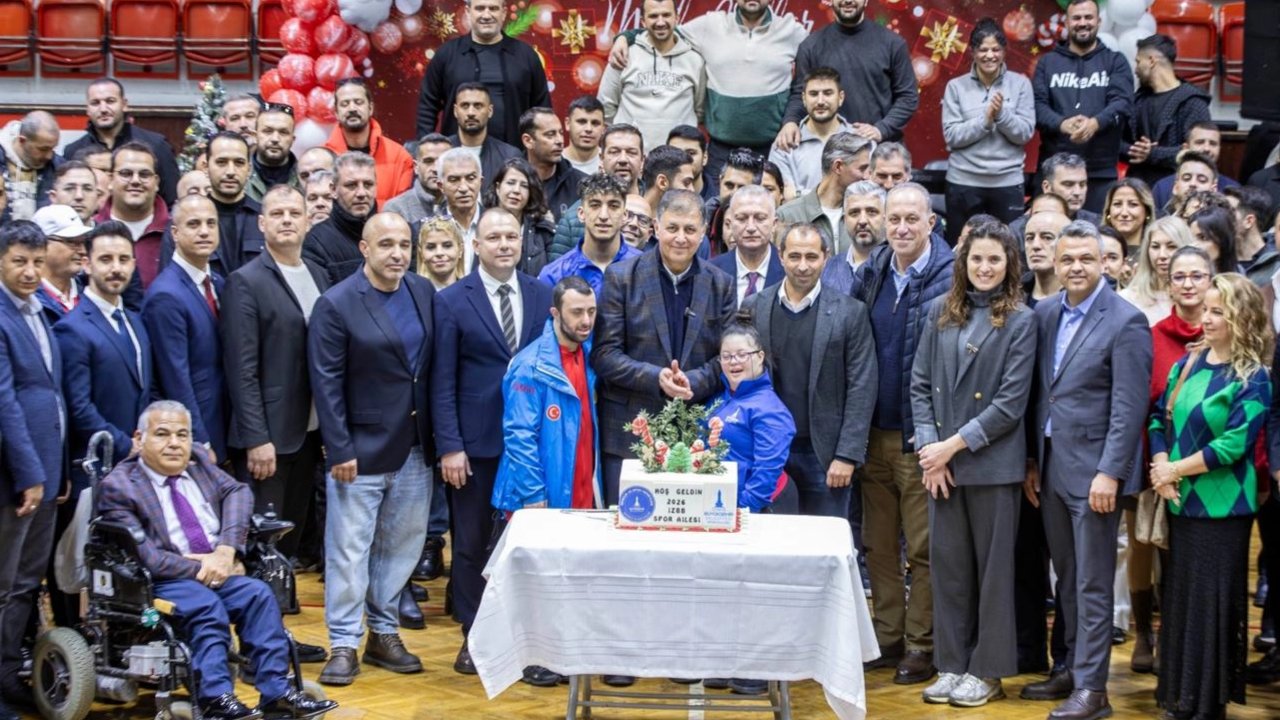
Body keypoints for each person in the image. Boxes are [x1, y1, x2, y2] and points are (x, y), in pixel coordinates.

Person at [95, 401, 338, 720]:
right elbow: (148, 558)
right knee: (205, 606)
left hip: (216, 567)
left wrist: (226, 551)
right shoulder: (119, 486)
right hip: (160, 580)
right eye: (163, 434)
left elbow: (238, 492)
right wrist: (204, 567)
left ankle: (276, 693)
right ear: (139, 439)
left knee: (258, 595)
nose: (174, 443)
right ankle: (215, 698)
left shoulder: (196, 462)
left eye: (182, 434)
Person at [1021, 220, 1152, 718]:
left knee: (1093, 583)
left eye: (1086, 259)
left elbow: (1128, 407)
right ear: (1056, 263)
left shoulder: (1126, 321)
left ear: (1104, 262)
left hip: (1096, 476)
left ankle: (1094, 690)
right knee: (1067, 579)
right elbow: (1041, 395)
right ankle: (1069, 670)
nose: (1076, 267)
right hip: (1052, 468)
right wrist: (1033, 459)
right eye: (1067, 259)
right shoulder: (1047, 312)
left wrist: (1111, 473)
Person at [910, 220, 1037, 707]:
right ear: (962, 262)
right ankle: (951, 662)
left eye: (994, 260)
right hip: (940, 467)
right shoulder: (941, 311)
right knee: (949, 570)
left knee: (991, 574)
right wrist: (930, 450)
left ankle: (987, 671)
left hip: (990, 466)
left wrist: (951, 447)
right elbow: (920, 383)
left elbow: (1008, 405)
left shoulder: (1021, 321)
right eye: (976, 258)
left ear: (1009, 266)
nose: (984, 267)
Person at [309, 212, 435, 686]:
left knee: (400, 549)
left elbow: (427, 371)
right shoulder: (337, 304)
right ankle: (343, 642)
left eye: (404, 244)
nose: (397, 253)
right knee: (348, 551)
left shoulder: (422, 291)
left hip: (415, 447)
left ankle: (383, 634)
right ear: (365, 249)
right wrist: (338, 447)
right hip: (357, 452)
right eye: (386, 244)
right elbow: (326, 384)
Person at [431, 208, 553, 676]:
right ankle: (474, 636)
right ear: (475, 246)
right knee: (472, 543)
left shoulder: (543, 295)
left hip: (531, 445)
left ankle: (530, 641)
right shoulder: (452, 301)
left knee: (526, 545)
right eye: (493, 237)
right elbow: (440, 381)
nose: (504, 244)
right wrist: (449, 446)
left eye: (511, 236)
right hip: (474, 446)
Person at [1149, 273, 1272, 720]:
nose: (1207, 318)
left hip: (1224, 510)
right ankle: (1182, 698)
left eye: (1218, 311)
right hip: (1183, 503)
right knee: (1181, 603)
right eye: (1206, 309)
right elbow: (1158, 418)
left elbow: (1233, 446)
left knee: (1212, 607)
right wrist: (1161, 468)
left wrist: (1173, 469)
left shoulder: (1255, 377)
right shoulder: (1188, 364)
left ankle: (1206, 704)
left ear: (1241, 318)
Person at [852, 182, 955, 684]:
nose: (902, 228)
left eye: (913, 219)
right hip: (873, 432)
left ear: (931, 222)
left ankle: (922, 643)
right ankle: (887, 636)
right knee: (878, 546)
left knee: (922, 548)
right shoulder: (872, 271)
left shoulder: (950, 277)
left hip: (922, 439)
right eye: (895, 219)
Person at [592, 188, 736, 507]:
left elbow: (726, 358)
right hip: (629, 433)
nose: (680, 238)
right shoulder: (621, 278)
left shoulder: (720, 283)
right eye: (672, 228)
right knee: (628, 534)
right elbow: (604, 355)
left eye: (689, 230)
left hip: (696, 433)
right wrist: (657, 377)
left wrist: (694, 381)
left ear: (702, 234)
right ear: (656, 228)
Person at [489, 275, 599, 689]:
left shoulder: (587, 356)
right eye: (577, 312)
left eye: (590, 311)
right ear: (555, 313)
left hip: (581, 488)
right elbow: (518, 434)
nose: (586, 320)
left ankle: (560, 649)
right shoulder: (531, 364)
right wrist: (534, 495)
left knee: (567, 577)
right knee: (533, 582)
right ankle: (529, 656)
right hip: (538, 494)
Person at [221, 185, 329, 563]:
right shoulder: (245, 280)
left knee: (292, 535)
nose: (287, 220)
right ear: (262, 223)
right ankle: (263, 610)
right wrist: (256, 438)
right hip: (270, 436)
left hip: (311, 429)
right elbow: (241, 368)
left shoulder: (318, 272)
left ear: (307, 221)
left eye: (294, 213)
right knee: (263, 537)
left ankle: (281, 606)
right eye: (278, 214)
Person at [743, 222, 876, 520]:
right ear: (781, 256)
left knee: (823, 545)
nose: (803, 266)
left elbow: (862, 387)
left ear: (826, 257)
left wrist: (847, 454)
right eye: (795, 256)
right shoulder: (754, 307)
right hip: (769, 451)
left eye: (811, 257)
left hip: (825, 456)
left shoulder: (850, 312)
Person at [1125, 245, 1215, 676]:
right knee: (1143, 544)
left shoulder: (1224, 336)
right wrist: (1157, 465)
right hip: (1153, 462)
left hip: (1208, 467)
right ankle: (1144, 633)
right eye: (1179, 277)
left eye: (1197, 276)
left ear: (1211, 281)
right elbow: (1143, 402)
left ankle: (1179, 637)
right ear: (1168, 283)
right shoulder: (1153, 334)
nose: (1188, 284)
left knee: (1187, 558)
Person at [608, 0, 806, 187]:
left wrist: (791, 120)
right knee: (715, 208)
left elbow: (804, 85)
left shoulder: (792, 31)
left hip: (772, 148)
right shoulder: (710, 25)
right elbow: (663, 29)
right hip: (720, 148)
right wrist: (625, 37)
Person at [0, 221, 65, 720]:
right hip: (15, 480)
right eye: (19, 261)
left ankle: (7, 678)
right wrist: (29, 474)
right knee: (3, 586)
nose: (29, 271)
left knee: (25, 585)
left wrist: (55, 468)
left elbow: (51, 395)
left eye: (36, 262)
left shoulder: (37, 310)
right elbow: (5, 403)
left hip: (45, 471)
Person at [143, 194, 228, 462]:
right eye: (194, 224)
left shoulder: (218, 282)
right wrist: (199, 439)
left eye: (210, 223)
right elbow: (175, 377)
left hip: (224, 419)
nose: (204, 231)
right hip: (197, 428)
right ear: (175, 233)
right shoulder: (166, 294)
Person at [1032, 0, 1132, 213]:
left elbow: (1122, 103)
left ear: (1099, 21)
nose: (1083, 23)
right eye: (1076, 18)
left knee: (1098, 237)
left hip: (1100, 173)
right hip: (1054, 173)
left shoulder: (1116, 61)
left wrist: (1095, 123)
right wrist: (1062, 124)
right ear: (1067, 23)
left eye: (1088, 17)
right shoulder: (1047, 62)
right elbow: (1037, 107)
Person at [942, 19, 1035, 243]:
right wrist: (985, 120)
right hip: (964, 183)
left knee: (1010, 247)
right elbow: (952, 136)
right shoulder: (956, 87)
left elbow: (1025, 133)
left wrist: (1001, 115)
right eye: (983, 50)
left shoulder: (1020, 84)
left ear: (1004, 52)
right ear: (973, 52)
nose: (989, 55)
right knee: (961, 249)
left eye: (996, 49)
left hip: (1007, 183)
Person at [776, 0, 918, 147]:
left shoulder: (893, 44)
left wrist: (882, 129)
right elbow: (800, 94)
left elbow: (907, 97)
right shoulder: (810, 46)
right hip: (827, 152)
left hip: (880, 152)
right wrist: (790, 122)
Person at [415, 0, 550, 146]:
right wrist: (427, 148)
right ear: (468, 11)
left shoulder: (526, 55)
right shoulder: (446, 54)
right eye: (480, 8)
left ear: (504, 12)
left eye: (493, 8)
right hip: (457, 160)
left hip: (516, 159)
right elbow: (427, 107)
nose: (486, 15)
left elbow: (542, 110)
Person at [596, 0, 705, 154]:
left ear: (677, 18)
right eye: (653, 16)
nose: (660, 22)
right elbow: (606, 107)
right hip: (632, 158)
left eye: (666, 15)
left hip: (679, 159)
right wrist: (626, 138)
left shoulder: (695, 60)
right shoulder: (623, 55)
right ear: (643, 21)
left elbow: (699, 110)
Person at [711, 322, 797, 515]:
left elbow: (766, 472)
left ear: (760, 357)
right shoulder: (719, 399)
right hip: (722, 502)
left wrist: (741, 509)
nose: (733, 361)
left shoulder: (770, 410)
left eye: (742, 355)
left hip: (760, 507)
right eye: (726, 356)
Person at [64, 78, 179, 205]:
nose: (103, 109)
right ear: (87, 109)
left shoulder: (156, 145)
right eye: (95, 103)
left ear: (124, 104)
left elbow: (172, 200)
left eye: (110, 101)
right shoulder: (73, 151)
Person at [1123, 34, 1212, 187]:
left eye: (1138, 62)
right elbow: (1119, 142)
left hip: (1174, 188)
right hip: (1137, 188)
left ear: (1151, 61)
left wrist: (1152, 154)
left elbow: (1198, 151)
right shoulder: (1137, 100)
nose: (1136, 70)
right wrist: (1136, 150)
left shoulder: (1192, 102)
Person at [170, 132, 264, 278]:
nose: (231, 172)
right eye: (222, 162)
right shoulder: (184, 221)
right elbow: (171, 280)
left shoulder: (265, 219)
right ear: (206, 168)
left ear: (249, 168)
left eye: (239, 163)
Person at [548, 124, 646, 261]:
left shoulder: (658, 207)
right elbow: (557, 272)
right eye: (614, 152)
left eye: (631, 152)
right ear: (601, 158)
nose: (623, 159)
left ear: (642, 160)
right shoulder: (573, 217)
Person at [538, 173, 638, 296]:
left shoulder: (645, 268)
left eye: (613, 206)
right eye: (595, 205)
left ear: (625, 215)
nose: (603, 216)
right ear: (581, 213)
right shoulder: (554, 275)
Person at [776, 133, 871, 257]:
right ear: (838, 167)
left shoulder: (869, 215)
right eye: (862, 169)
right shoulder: (787, 215)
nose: (867, 177)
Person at [769, 67, 857, 199]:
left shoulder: (861, 141)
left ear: (840, 97)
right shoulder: (785, 144)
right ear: (804, 99)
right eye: (814, 94)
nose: (820, 101)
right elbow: (784, 199)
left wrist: (799, 194)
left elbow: (865, 194)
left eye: (828, 93)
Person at [323, 79, 413, 206]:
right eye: (345, 104)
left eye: (358, 102)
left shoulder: (400, 157)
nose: (352, 108)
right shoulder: (323, 158)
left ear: (370, 108)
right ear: (336, 113)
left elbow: (403, 210)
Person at [95, 142, 169, 287]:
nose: (135, 181)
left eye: (144, 174)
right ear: (110, 180)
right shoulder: (92, 230)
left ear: (156, 182)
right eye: (126, 174)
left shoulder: (175, 232)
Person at [303, 152, 378, 286]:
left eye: (368, 184)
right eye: (351, 185)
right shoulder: (315, 243)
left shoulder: (391, 233)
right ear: (333, 190)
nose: (361, 193)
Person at [710, 185, 785, 307]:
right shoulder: (712, 272)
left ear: (774, 224)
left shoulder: (789, 271)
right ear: (730, 224)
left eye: (760, 218)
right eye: (742, 219)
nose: (751, 227)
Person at [482, 158, 554, 276]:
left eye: (524, 186)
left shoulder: (543, 230)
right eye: (510, 183)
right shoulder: (481, 224)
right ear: (498, 187)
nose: (516, 190)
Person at [1119, 215, 1196, 325]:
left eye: (1171, 246)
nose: (1162, 255)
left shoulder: (1201, 300)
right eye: (1155, 247)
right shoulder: (1127, 300)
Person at [445, 83, 523, 191]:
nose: (471, 112)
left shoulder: (509, 156)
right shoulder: (441, 153)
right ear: (455, 111)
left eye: (478, 106)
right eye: (465, 106)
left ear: (490, 111)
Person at [1009, 153, 1102, 241]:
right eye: (1068, 184)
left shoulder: (1098, 224)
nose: (1077, 192)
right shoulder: (1019, 230)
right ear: (1047, 187)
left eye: (1082, 184)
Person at [518, 107, 586, 222]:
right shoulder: (510, 182)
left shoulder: (582, 184)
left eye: (560, 133)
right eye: (550, 135)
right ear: (528, 141)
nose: (559, 141)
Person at [1153, 124, 1239, 211]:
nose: (1206, 148)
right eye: (1200, 142)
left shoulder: (1233, 189)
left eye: (1213, 144)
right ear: (1186, 147)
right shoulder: (1162, 188)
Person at [822, 180, 886, 295]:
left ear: (885, 217)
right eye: (854, 213)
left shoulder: (897, 266)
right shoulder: (826, 269)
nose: (862, 221)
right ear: (845, 219)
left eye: (871, 212)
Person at [32, 204, 89, 324]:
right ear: (42, 244)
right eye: (72, 242)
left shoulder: (90, 291)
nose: (83, 251)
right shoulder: (28, 300)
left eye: (83, 242)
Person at [1, 111, 62, 221]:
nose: (49, 156)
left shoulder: (58, 167)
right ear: (22, 140)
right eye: (43, 149)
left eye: (52, 149)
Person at [433, 148, 485, 273]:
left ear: (480, 182)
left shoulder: (497, 226)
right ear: (441, 186)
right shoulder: (426, 230)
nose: (463, 188)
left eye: (471, 178)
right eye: (454, 180)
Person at [385, 133, 453, 224]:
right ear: (416, 167)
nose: (436, 169)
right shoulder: (396, 209)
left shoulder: (465, 204)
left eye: (443, 161)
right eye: (428, 161)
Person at [1225, 185, 1280, 287]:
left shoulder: (1276, 262)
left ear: (1249, 221)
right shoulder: (1218, 258)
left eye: (1228, 211)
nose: (1219, 215)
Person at [244, 103, 300, 202]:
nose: (275, 139)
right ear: (255, 136)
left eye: (283, 132)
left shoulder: (304, 177)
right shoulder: (241, 175)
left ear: (293, 139)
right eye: (267, 131)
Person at [1022, 211, 1070, 306]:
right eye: (1030, 238)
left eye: (1047, 238)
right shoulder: (1012, 294)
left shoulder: (1082, 296)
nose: (1035, 246)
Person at [1101, 178, 1156, 257]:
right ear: (1108, 211)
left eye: (1133, 204)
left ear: (1147, 212)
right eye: (1117, 204)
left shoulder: (1155, 253)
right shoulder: (1095, 251)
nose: (1124, 213)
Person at [1164, 150, 1221, 216]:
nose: (1193, 184)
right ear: (1175, 187)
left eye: (1202, 180)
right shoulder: (1158, 222)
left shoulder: (1222, 224)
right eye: (1187, 178)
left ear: (1213, 189)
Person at [667, 125, 715, 202]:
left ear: (705, 158)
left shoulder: (718, 203)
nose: (682, 159)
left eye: (691, 153)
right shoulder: (655, 196)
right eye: (675, 152)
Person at [415, 217, 464, 289]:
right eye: (431, 247)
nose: (439, 253)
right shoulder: (411, 295)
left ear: (460, 250)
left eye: (447, 246)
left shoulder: (473, 293)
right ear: (421, 252)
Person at [1189, 205, 1238, 276]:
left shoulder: (1238, 280)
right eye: (1190, 238)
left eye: (1203, 238)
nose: (1193, 245)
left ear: (1223, 240)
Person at [48, 160, 101, 225]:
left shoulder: (110, 234)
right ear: (53, 197)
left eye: (87, 189)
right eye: (70, 189)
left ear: (97, 198)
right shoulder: (38, 234)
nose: (79, 196)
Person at [563, 96, 605, 175]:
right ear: (567, 124)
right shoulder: (554, 163)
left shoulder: (611, 163)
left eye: (595, 123)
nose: (588, 129)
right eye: (582, 122)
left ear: (603, 128)